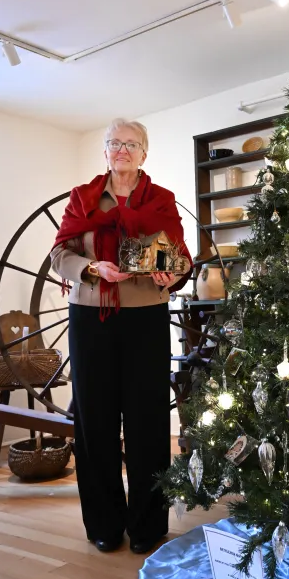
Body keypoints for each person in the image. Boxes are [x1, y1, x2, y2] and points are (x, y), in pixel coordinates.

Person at [50, 119, 192, 554]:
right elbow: (60, 252)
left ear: (145, 153)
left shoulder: (161, 200)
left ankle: (148, 527)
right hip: (91, 314)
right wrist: (93, 268)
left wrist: (174, 270)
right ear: (106, 151)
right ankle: (104, 525)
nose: (123, 150)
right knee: (94, 421)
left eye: (132, 144)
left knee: (148, 419)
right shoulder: (83, 197)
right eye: (116, 143)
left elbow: (180, 257)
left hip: (146, 314)